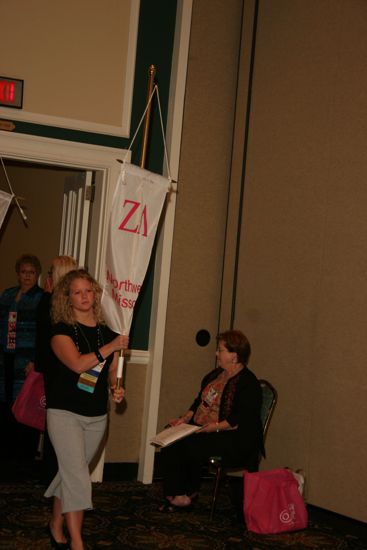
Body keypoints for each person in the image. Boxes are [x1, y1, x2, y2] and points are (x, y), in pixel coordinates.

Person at [43, 269, 129, 550]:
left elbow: (113, 372)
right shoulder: (60, 332)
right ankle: (77, 542)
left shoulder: (109, 332)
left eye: (88, 291)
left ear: (95, 294)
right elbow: (79, 364)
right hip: (64, 413)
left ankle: (55, 523)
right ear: (67, 299)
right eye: (77, 292)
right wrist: (112, 346)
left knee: (71, 473)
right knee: (78, 477)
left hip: (96, 416)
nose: (84, 297)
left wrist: (117, 387)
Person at [159, 329, 264, 510]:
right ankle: (181, 492)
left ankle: (182, 494)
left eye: (220, 350)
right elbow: (198, 402)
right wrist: (183, 419)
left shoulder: (248, 383)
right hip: (204, 428)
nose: (216, 353)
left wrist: (212, 427)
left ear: (234, 355)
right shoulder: (215, 375)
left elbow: (238, 419)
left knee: (187, 443)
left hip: (234, 437)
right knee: (170, 433)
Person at [34, 255, 77, 478]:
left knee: (58, 423)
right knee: (58, 423)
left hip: (60, 369)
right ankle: (54, 472)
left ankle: (53, 472)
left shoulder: (53, 301)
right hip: (59, 369)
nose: (48, 276)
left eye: (51, 272)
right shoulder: (51, 302)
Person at [0, 253, 43, 460]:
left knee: (25, 404)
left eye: (31, 272)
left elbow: (44, 334)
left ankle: (24, 454)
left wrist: (35, 361)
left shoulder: (41, 298)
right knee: (5, 402)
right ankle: (6, 450)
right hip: (5, 358)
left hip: (26, 360)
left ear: (37, 275)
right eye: (24, 272)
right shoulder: (7, 295)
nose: (27, 276)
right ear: (18, 274)